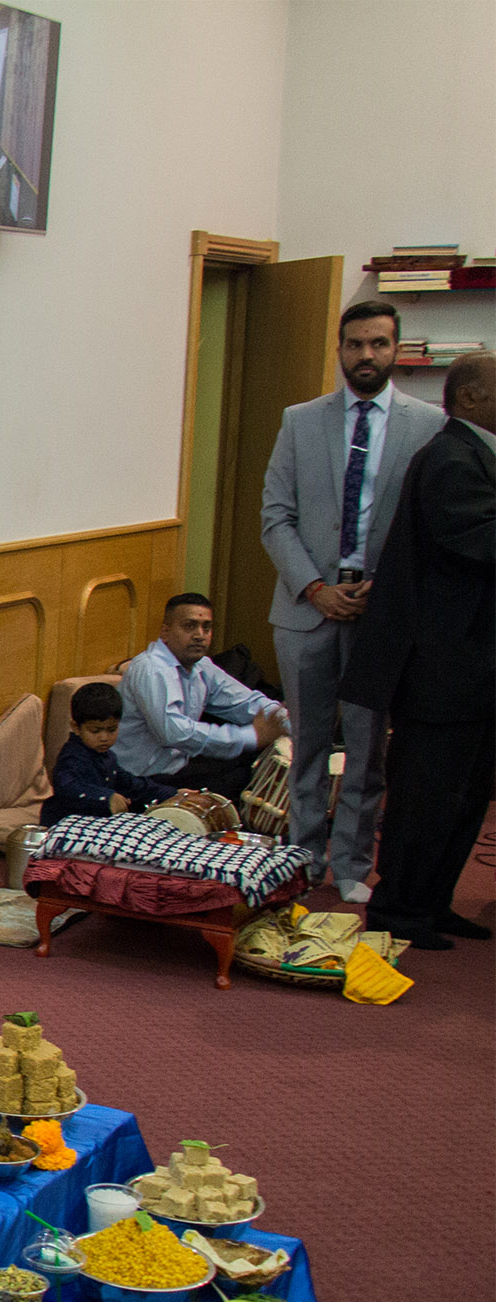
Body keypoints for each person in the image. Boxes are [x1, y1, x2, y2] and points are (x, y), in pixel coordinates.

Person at [259, 298, 443, 899]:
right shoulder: (300, 420)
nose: (367, 355)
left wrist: (383, 592)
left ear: (396, 349)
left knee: (366, 752)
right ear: (339, 349)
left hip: (380, 613)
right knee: (307, 741)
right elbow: (275, 518)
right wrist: (315, 588)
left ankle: (351, 867)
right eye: (356, 344)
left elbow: (428, 526)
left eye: (379, 344)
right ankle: (302, 857)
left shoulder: (429, 424)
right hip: (306, 609)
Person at [341, 353, 496, 950]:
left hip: (472, 668)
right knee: (425, 801)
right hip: (441, 669)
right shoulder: (452, 459)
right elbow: (476, 542)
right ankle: (399, 909)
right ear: (475, 399)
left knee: (464, 800)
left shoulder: (475, 453)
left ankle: (432, 903)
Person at [114, 593, 290, 801]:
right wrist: (251, 737)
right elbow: (174, 733)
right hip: (140, 779)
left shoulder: (202, 666)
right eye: (190, 626)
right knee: (241, 775)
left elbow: (245, 701)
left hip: (178, 767)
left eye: (206, 627)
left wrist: (283, 720)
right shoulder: (152, 669)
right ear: (165, 631)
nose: (200, 635)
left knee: (249, 762)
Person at [44, 682, 170, 826]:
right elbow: (68, 787)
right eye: (95, 731)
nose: (104, 738)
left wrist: (172, 794)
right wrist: (106, 798)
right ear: (76, 727)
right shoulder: (72, 756)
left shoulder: (107, 756)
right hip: (68, 826)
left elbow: (130, 784)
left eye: (111, 730)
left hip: (96, 824)